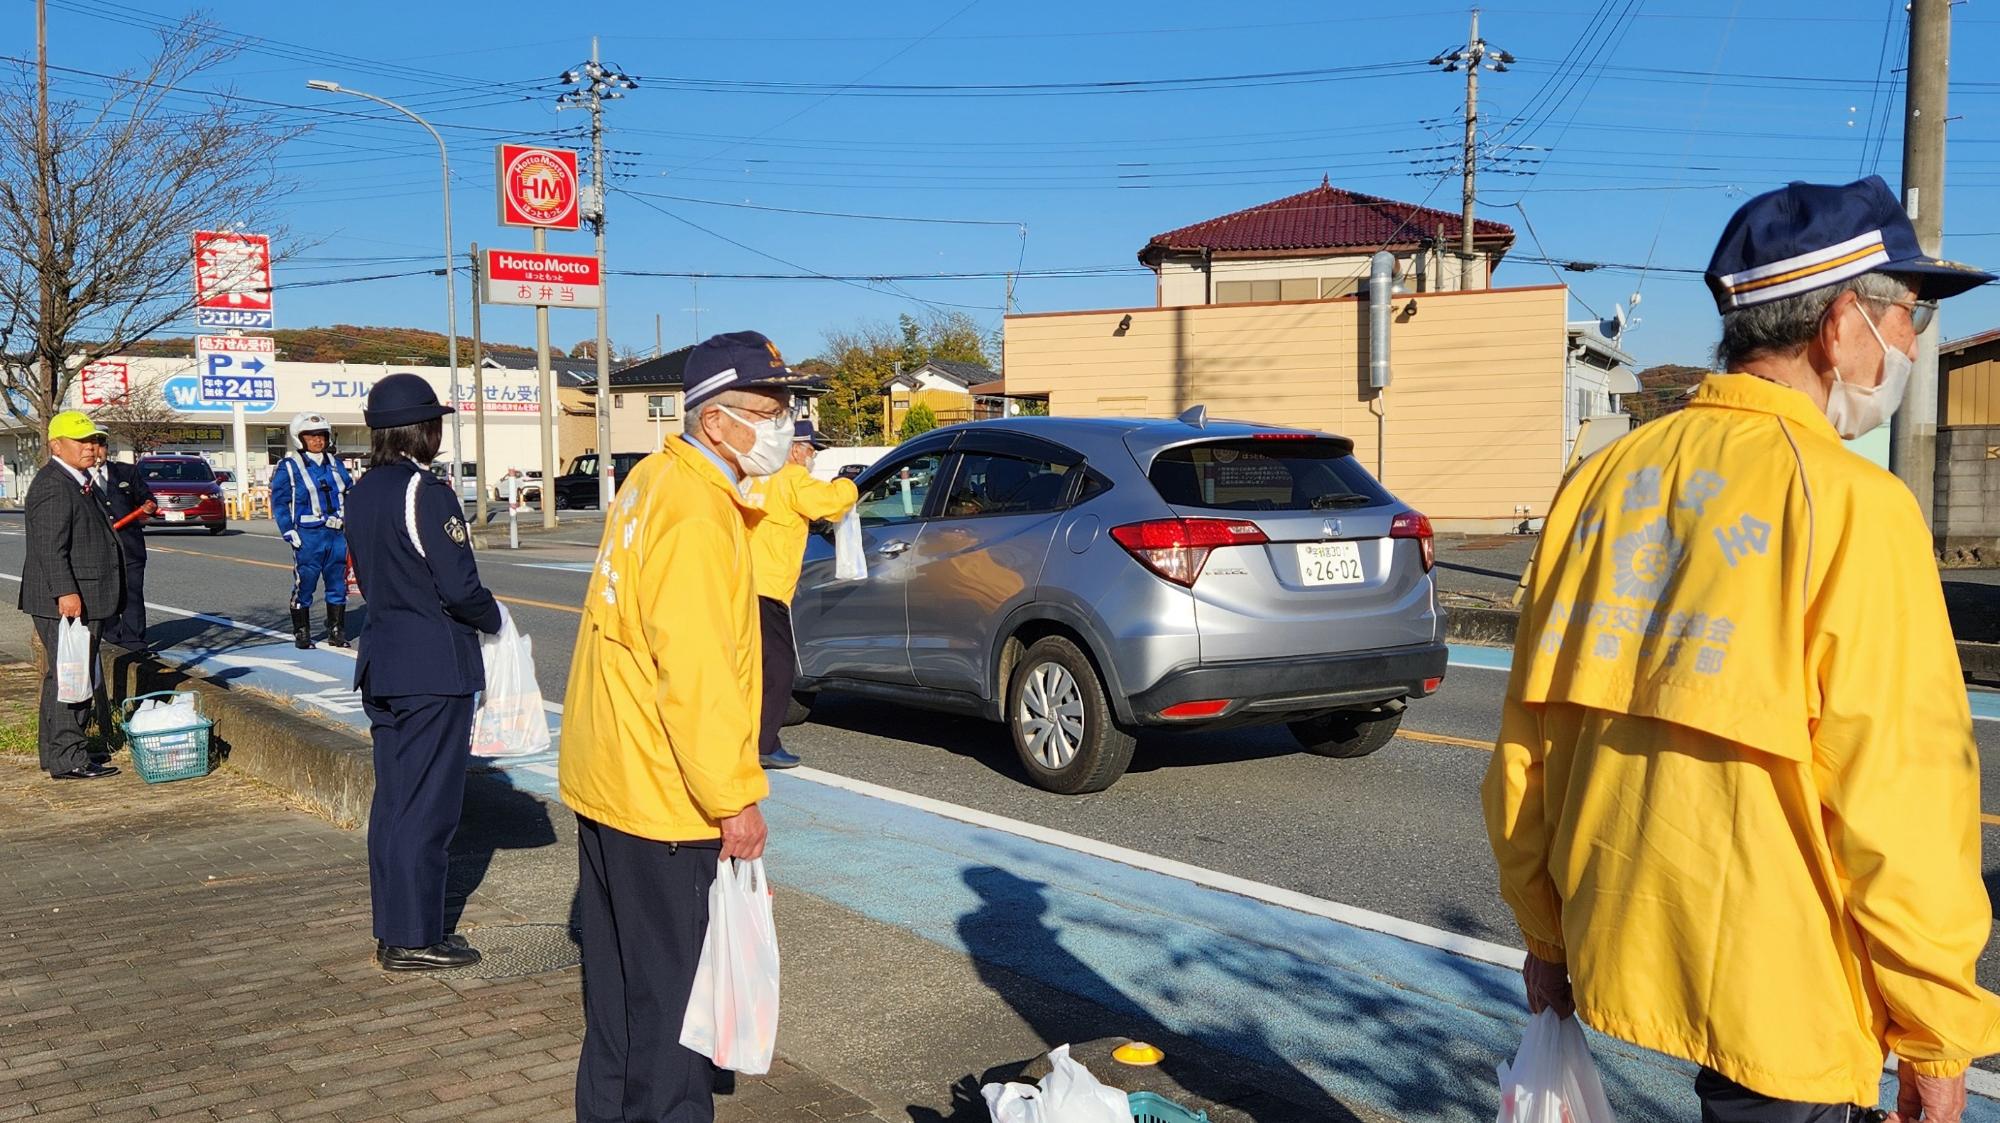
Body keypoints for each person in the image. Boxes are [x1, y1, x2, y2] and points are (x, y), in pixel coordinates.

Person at [1483, 175, 2000, 1122]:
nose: (1914, 341)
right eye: (1912, 313)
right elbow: (1901, 795)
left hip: (1621, 937)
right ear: (1841, 324)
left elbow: (1527, 740)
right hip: (1784, 990)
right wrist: (1935, 1030)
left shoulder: (1600, 481)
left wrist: (1546, 935)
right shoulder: (1853, 506)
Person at [560, 330, 814, 1123]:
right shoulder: (700, 514)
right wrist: (735, 798)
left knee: (618, 1003)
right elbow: (697, 675)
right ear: (714, 420)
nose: (781, 425)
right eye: (766, 410)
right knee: (676, 1011)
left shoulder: (652, 481)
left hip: (612, 776)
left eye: (785, 408)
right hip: (666, 798)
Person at [344, 375, 502, 972]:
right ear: (424, 429)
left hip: (382, 659)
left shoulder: (362, 490)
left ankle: (395, 928)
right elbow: (459, 588)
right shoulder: (427, 492)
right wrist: (496, 619)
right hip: (433, 666)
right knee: (428, 806)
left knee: (394, 802)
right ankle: (414, 937)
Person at [738, 419, 858, 769]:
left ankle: (743, 737)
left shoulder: (755, 478)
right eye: (810, 451)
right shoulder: (791, 478)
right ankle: (764, 743)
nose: (812, 458)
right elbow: (830, 504)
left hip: (740, 582)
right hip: (767, 588)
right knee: (779, 668)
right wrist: (849, 482)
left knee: (750, 667)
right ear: (793, 450)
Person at [20, 411, 124, 781]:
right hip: (69, 599)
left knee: (63, 676)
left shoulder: (76, 480)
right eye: (81, 441)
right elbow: (50, 547)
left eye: (93, 440)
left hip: (80, 594)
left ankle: (57, 753)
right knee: (73, 677)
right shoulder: (54, 484)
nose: (90, 447)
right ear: (56, 445)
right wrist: (66, 591)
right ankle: (70, 758)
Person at [272, 411, 353, 650]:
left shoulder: (336, 465)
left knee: (338, 583)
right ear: (300, 438)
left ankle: (336, 631)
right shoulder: (289, 466)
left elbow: (350, 494)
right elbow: (279, 501)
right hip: (308, 535)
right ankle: (302, 632)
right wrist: (288, 529)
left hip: (337, 534)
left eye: (322, 435)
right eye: (311, 435)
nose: (318, 440)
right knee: (305, 583)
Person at [86, 436, 155, 648]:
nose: (97, 452)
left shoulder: (127, 472)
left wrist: (149, 505)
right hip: (98, 547)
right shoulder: (78, 477)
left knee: (133, 593)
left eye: (101, 446)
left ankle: (134, 641)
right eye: (92, 447)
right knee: (106, 593)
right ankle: (112, 637)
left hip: (130, 545)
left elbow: (147, 497)